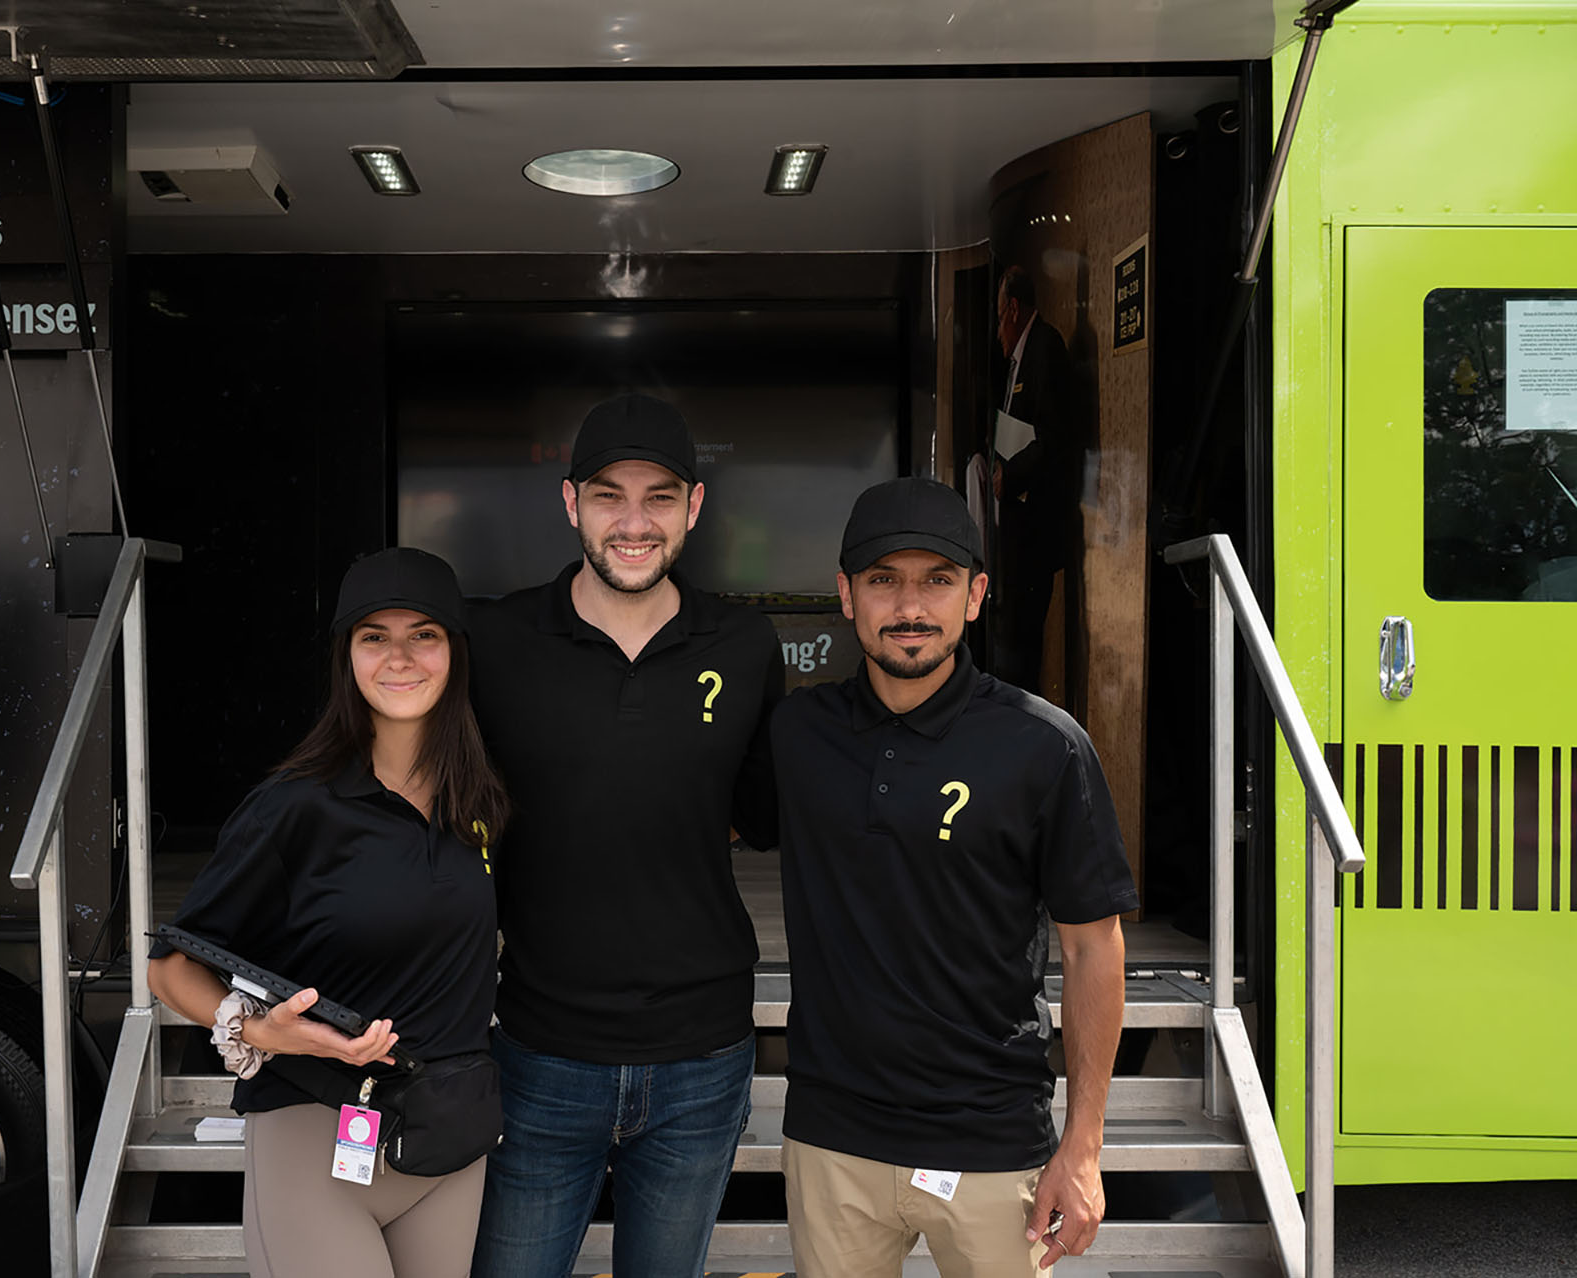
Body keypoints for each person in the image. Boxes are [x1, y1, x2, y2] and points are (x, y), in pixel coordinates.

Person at [773, 476, 1135, 1277]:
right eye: (883, 581)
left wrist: (1083, 1145)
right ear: (846, 595)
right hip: (834, 1137)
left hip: (994, 1143)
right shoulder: (797, 735)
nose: (911, 606)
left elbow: (1092, 950)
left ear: (975, 595)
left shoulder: (1045, 746)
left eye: (937, 580)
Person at [467, 393, 785, 1278]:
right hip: (539, 1051)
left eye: (658, 496)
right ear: (571, 504)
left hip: (703, 1056)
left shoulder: (745, 643)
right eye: (609, 495)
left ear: (695, 506)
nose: (633, 522)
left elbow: (764, 815)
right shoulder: (495, 641)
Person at [149, 547, 509, 1278]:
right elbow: (172, 968)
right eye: (374, 636)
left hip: (446, 1139)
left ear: (456, 654)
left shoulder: (481, 802)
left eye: (425, 635)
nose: (399, 657)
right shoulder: (295, 806)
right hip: (317, 1136)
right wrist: (263, 1030)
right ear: (347, 657)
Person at [991, 263, 1082, 694]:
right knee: (1012, 631)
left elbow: (1055, 435)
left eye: (997, 318)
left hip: (1037, 524)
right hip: (1017, 521)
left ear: (1012, 309)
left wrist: (1009, 473)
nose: (997, 332)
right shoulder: (1016, 362)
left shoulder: (1046, 347)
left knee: (1024, 636)